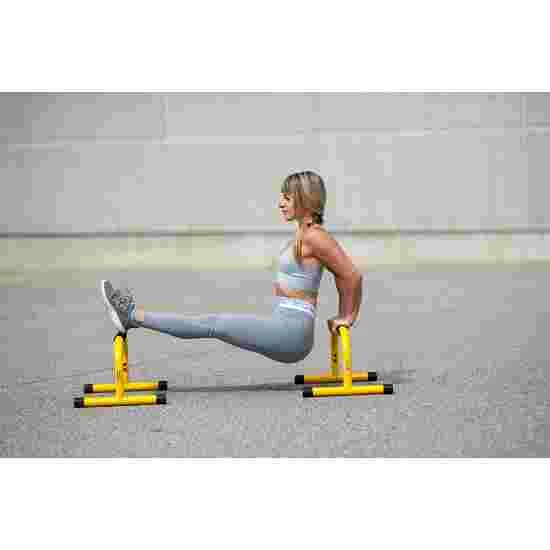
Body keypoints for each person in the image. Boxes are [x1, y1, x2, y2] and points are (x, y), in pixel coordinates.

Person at [101, 170, 363, 365]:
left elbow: (350, 275)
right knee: (213, 322)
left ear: (305, 199)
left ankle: (132, 316)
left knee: (213, 323)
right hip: (284, 324)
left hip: (291, 333)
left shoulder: (315, 236)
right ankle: (132, 317)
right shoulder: (304, 234)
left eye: (287, 198)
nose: (280, 203)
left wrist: (346, 317)